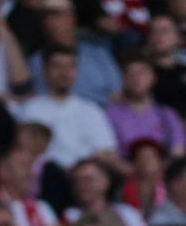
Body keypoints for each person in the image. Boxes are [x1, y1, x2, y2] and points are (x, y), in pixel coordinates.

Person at [18, 43, 121, 171]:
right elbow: (24, 153)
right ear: (45, 70)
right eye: (57, 66)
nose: (64, 73)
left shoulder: (91, 110)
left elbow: (106, 152)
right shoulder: (30, 110)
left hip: (83, 175)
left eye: (70, 66)